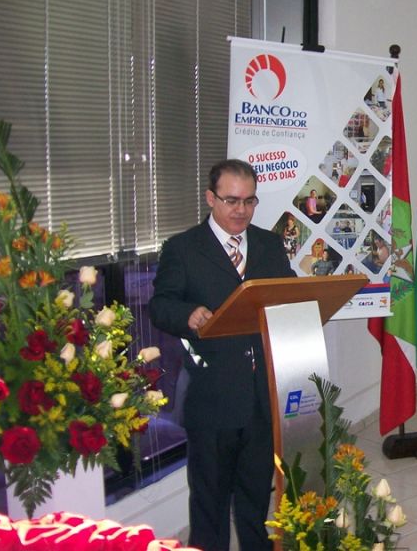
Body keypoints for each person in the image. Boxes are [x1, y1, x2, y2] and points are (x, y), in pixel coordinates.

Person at [149, 159, 295, 551]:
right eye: (231, 200)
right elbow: (160, 306)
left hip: (261, 395)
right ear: (210, 198)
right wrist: (188, 314)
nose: (241, 210)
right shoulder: (183, 248)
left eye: (249, 201)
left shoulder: (268, 244)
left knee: (255, 499)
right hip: (212, 396)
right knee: (209, 504)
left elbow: (288, 293)